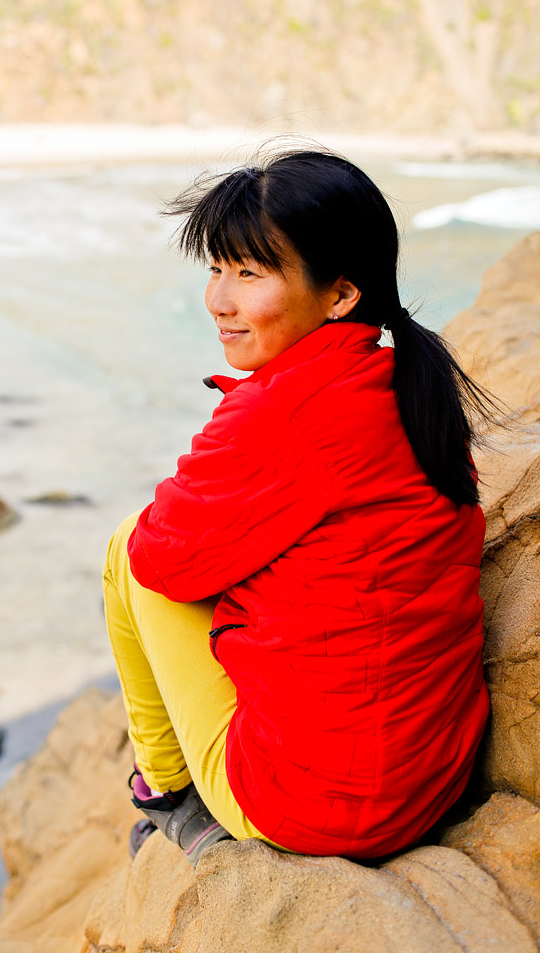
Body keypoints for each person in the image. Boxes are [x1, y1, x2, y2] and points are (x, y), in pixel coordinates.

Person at [102, 147, 492, 867]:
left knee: (128, 551)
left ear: (341, 294)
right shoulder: (406, 380)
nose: (219, 299)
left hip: (318, 809)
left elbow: (161, 556)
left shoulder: (282, 410)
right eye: (217, 268)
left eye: (249, 274)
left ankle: (166, 795)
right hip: (432, 779)